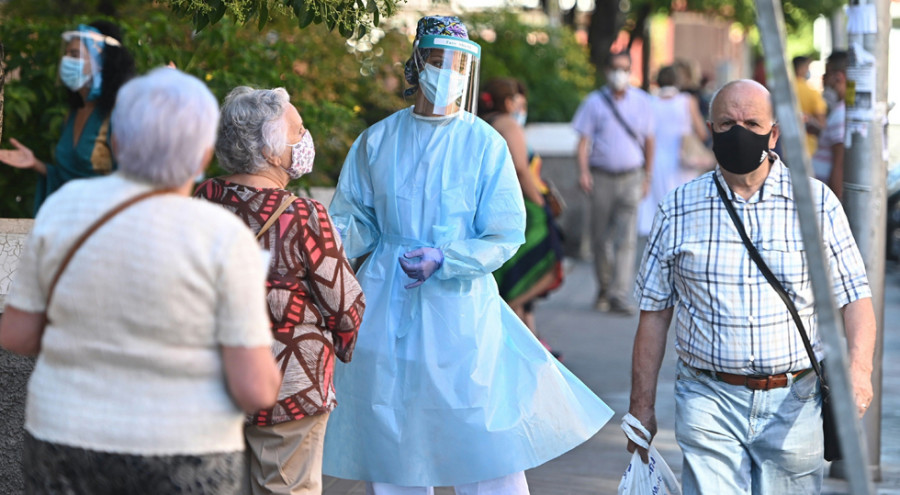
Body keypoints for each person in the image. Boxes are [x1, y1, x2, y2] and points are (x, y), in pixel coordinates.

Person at [323, 15, 612, 494]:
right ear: (418, 64)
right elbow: (352, 219)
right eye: (440, 62)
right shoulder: (378, 141)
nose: (450, 75)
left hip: (459, 309)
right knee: (395, 429)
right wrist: (321, 246)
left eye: (460, 66)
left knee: (481, 431)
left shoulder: (483, 143)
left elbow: (503, 232)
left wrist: (448, 258)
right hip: (388, 299)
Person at [0, 68, 282, 494]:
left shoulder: (63, 209)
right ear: (205, 151)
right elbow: (256, 387)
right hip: (187, 451)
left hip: (64, 439)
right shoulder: (223, 237)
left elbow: (17, 335)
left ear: (115, 141)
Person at [628, 79, 876, 494]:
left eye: (751, 122)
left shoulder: (816, 203)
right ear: (709, 129)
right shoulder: (677, 207)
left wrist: (860, 371)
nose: (738, 132)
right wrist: (641, 407)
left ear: (773, 133)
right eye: (726, 123)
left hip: (795, 399)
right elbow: (654, 313)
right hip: (707, 396)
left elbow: (854, 295)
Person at [195, 86, 366, 495]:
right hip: (288, 385)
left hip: (216, 379)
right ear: (271, 152)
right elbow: (345, 306)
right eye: (298, 129)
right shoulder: (305, 216)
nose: (304, 140)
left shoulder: (203, 201)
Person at [0, 21, 135, 214]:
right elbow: (69, 180)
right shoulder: (72, 115)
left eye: (75, 55)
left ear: (101, 62)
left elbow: (131, 182)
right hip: (69, 222)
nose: (66, 61)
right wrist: (36, 164)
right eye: (66, 54)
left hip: (103, 225)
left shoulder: (119, 115)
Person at [478, 77, 564, 347]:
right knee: (542, 264)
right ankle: (509, 316)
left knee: (515, 268)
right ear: (508, 101)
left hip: (494, 203)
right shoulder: (508, 124)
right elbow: (521, 169)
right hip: (523, 204)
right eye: (518, 102)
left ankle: (529, 338)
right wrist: (541, 203)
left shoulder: (482, 124)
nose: (521, 108)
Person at [572, 51, 656, 315]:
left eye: (624, 68)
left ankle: (620, 294)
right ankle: (604, 288)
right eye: (615, 68)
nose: (620, 73)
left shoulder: (642, 102)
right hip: (601, 177)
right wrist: (583, 172)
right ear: (607, 71)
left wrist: (647, 177)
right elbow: (583, 142)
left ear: (630, 72)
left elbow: (650, 140)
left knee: (626, 238)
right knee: (600, 238)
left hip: (632, 176)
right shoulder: (594, 102)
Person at [637, 65, 709, 237]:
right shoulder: (687, 101)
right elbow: (702, 133)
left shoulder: (649, 102)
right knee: (682, 211)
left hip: (655, 162)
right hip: (683, 162)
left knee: (658, 213)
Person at [812, 50, 849, 199]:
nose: (824, 80)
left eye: (826, 75)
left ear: (838, 77)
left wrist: (835, 203)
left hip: (827, 198)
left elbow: (838, 164)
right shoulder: (841, 110)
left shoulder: (842, 114)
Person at [792, 55, 827, 157]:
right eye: (807, 67)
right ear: (801, 69)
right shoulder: (812, 92)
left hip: (784, 144)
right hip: (808, 148)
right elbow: (822, 124)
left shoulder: (783, 91)